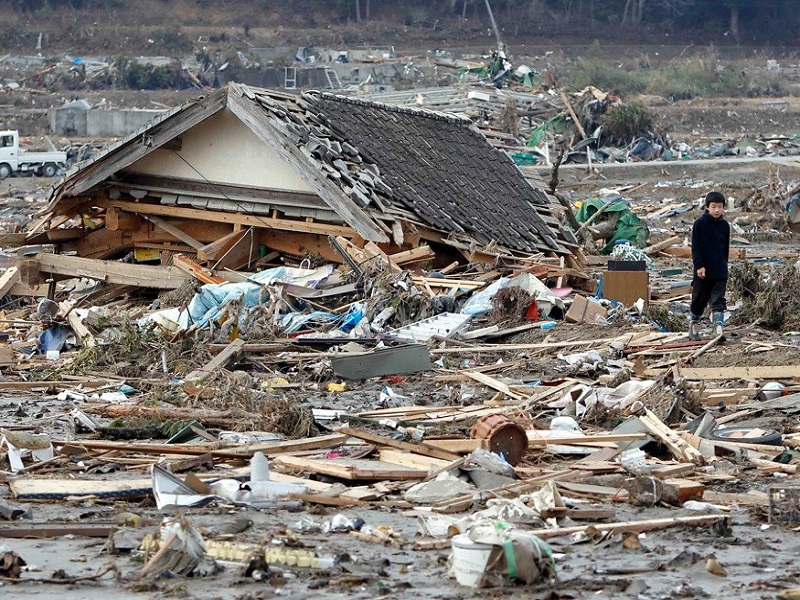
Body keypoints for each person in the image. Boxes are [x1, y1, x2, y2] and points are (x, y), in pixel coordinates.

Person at [689, 191, 730, 340]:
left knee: (718, 300)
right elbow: (696, 248)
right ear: (707, 207)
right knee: (699, 299)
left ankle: (718, 329)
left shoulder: (725, 226)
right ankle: (694, 324)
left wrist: (724, 268)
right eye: (714, 207)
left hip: (719, 270)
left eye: (720, 207)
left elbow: (725, 248)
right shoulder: (699, 224)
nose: (717, 210)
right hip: (702, 271)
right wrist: (699, 266)